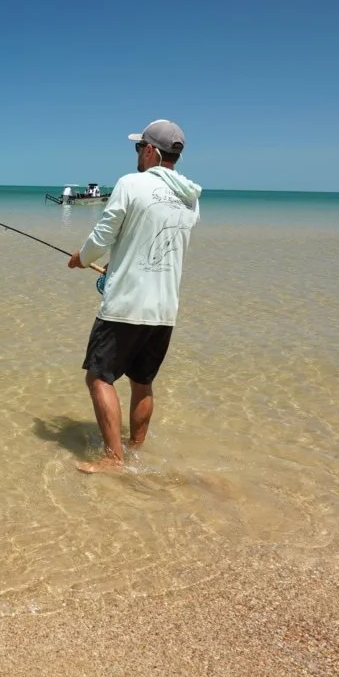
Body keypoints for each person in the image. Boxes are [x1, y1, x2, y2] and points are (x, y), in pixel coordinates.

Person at [66, 120, 201, 472]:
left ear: (151, 151)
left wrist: (83, 258)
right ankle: (135, 452)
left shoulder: (130, 184)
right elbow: (153, 241)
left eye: (139, 147)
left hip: (125, 305)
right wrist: (117, 262)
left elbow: (103, 234)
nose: (137, 153)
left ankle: (114, 458)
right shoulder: (191, 198)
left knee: (98, 377)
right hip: (164, 309)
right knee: (143, 382)